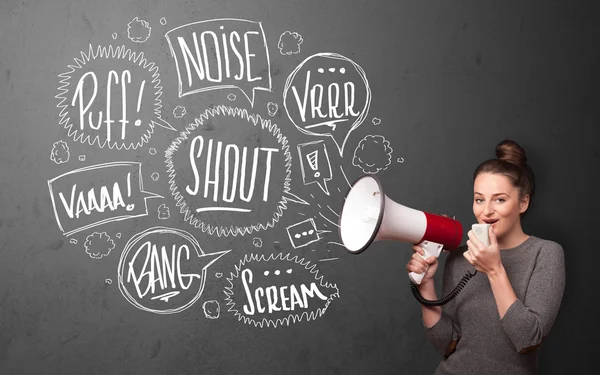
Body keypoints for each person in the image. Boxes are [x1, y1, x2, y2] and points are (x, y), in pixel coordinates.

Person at [406, 139, 566, 374]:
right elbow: (446, 344)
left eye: (499, 199)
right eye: (479, 199)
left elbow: (528, 340)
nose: (486, 211)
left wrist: (494, 270)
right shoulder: (461, 257)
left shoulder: (546, 254)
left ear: (523, 202)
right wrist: (426, 285)